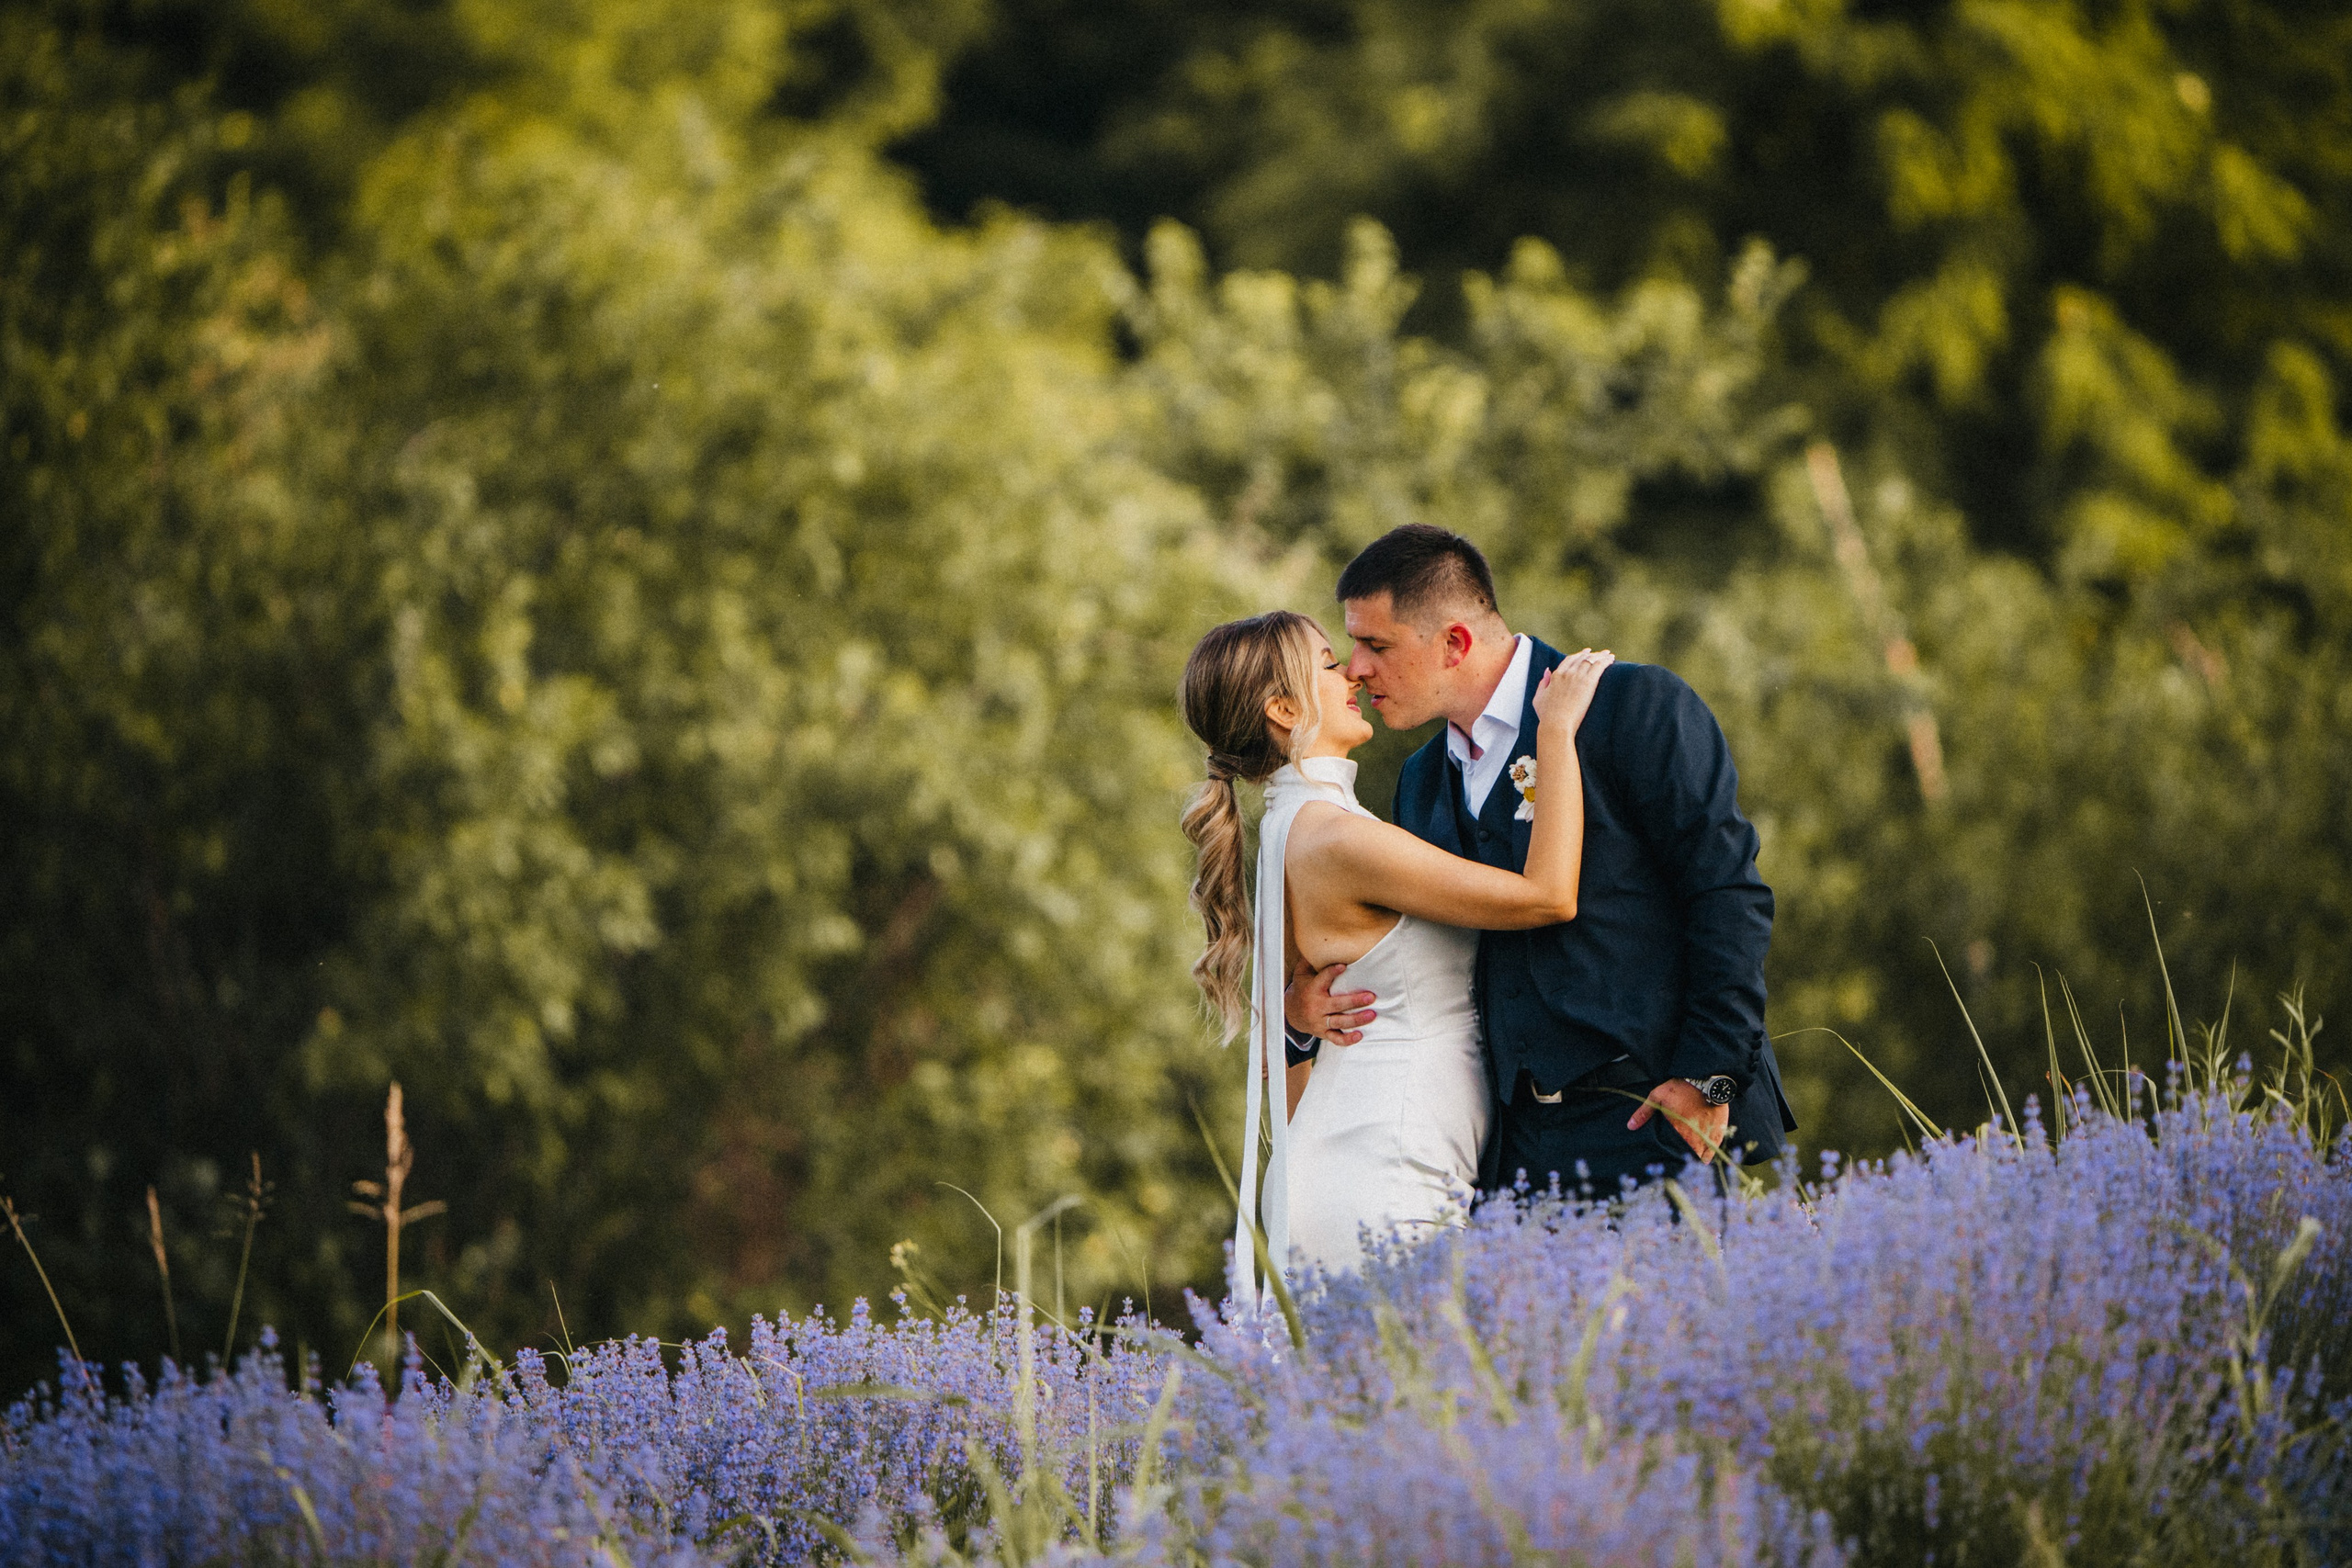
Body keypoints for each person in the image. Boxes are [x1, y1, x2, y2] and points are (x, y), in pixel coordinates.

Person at [1288, 525, 1796, 1202]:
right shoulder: (1420, 782)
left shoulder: (1634, 708)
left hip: (1657, 1115)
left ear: (1454, 643)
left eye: (1376, 645)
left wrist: (1710, 1079)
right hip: (1510, 1153)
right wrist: (1305, 1009)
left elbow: (1728, 895)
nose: (1356, 669)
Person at [1178, 610, 1615, 1289]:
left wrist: (1297, 1023)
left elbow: (1287, 1049)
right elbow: (1547, 896)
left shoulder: (1300, 827)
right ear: (1284, 708)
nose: (1353, 670)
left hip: (1366, 1159)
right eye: (1329, 663)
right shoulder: (1335, 838)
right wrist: (1554, 730)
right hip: (1384, 1174)